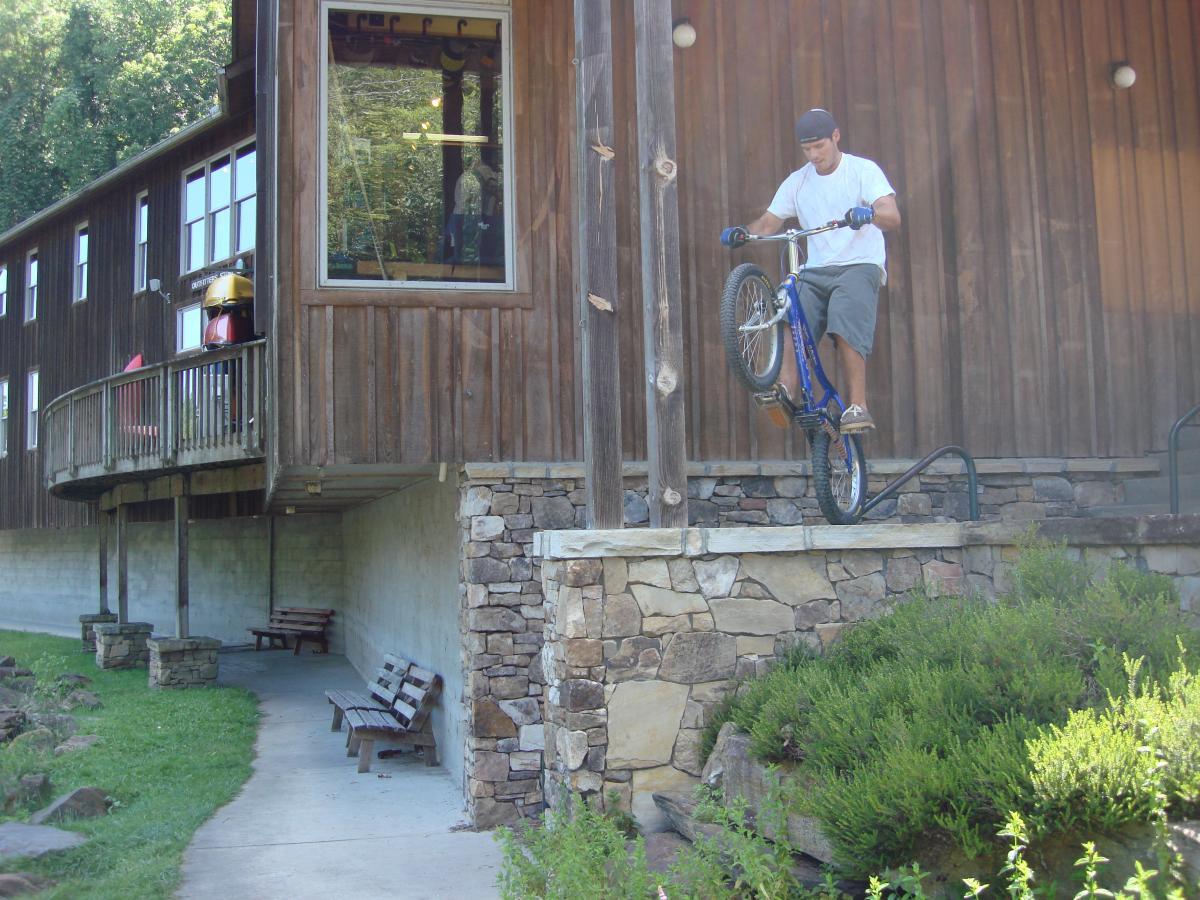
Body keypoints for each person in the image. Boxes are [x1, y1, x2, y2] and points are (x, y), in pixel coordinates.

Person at [722, 108, 900, 433]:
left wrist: (868, 213)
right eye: (807, 150)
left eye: (819, 146)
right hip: (816, 269)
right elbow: (768, 222)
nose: (814, 155)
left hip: (858, 265)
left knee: (845, 320)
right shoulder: (798, 181)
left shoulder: (862, 170)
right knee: (789, 312)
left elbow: (891, 214)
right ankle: (787, 392)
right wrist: (743, 233)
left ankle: (858, 406)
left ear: (835, 137)